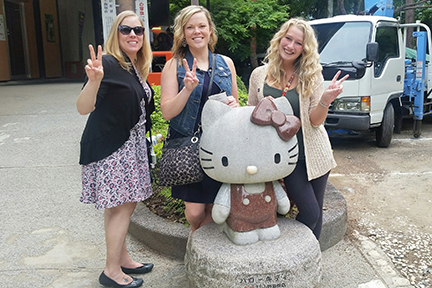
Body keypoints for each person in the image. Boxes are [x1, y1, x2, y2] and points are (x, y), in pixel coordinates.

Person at [247, 18, 349, 239]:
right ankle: (292, 250)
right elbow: (251, 114)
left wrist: (325, 100)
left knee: (315, 212)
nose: (291, 46)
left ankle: (311, 260)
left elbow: (315, 121)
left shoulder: (312, 75)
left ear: (305, 49)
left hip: (313, 152)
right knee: (310, 212)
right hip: (284, 157)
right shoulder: (259, 75)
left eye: (298, 43)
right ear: (280, 39)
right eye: (288, 38)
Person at [77, 10, 155, 288]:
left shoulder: (134, 66)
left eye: (138, 30)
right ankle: (111, 271)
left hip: (129, 146)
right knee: (122, 207)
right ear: (116, 34)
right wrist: (94, 81)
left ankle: (122, 259)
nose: (133, 35)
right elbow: (83, 107)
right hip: (113, 147)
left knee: (119, 207)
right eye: (126, 29)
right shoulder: (108, 64)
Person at [160, 5, 239, 233]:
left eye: (202, 26)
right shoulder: (173, 65)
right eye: (190, 27)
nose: (197, 31)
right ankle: (196, 237)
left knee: (215, 210)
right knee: (195, 212)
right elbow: (167, 112)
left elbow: (235, 107)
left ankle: (196, 249)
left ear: (210, 30)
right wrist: (186, 90)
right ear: (183, 34)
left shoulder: (226, 64)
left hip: (218, 146)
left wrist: (235, 106)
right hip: (187, 146)